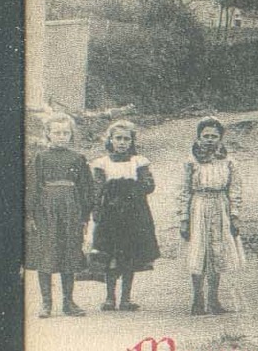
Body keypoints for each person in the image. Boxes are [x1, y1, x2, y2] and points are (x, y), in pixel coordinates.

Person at [87, 120, 160, 312]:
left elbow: (149, 187)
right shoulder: (102, 163)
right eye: (118, 138)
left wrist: (138, 183)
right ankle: (110, 297)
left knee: (130, 254)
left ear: (132, 141)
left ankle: (126, 298)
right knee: (110, 254)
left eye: (126, 139)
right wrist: (96, 209)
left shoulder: (138, 162)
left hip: (134, 214)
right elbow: (96, 188)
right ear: (110, 140)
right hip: (110, 216)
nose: (122, 142)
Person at [27, 113, 93, 318]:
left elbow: (86, 188)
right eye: (57, 133)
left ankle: (68, 302)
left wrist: (84, 215)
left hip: (71, 210)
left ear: (71, 134)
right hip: (46, 211)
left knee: (69, 251)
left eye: (66, 132)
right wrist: (30, 215)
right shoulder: (40, 158)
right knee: (45, 253)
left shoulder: (78, 158)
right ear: (48, 134)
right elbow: (31, 187)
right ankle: (46, 303)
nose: (62, 136)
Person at [178, 117, 246, 315]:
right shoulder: (191, 161)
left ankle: (214, 299)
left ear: (221, 138)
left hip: (221, 207)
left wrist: (234, 215)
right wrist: (184, 218)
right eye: (205, 136)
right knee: (199, 252)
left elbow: (235, 189)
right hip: (198, 207)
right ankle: (197, 299)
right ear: (198, 137)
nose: (209, 140)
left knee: (217, 252)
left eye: (214, 136)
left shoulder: (229, 161)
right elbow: (184, 191)